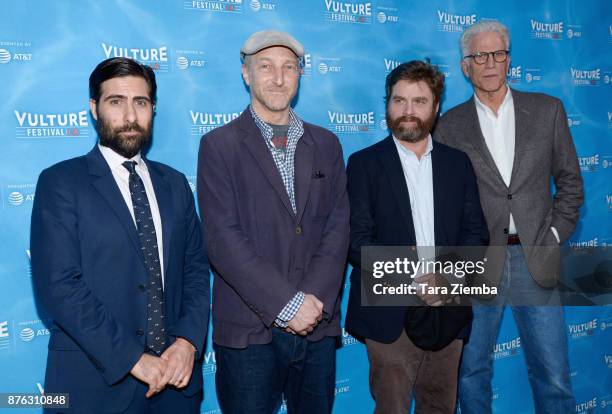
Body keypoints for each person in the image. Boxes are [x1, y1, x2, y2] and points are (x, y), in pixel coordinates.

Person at [30, 57, 210, 413]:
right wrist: (133, 359)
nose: (130, 116)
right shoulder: (61, 182)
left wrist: (188, 342)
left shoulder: (174, 184)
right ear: (94, 109)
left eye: (140, 102)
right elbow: (59, 286)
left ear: (153, 109)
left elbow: (196, 271)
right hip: (94, 388)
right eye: (116, 102)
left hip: (176, 385)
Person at [434, 20, 583, 414]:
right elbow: (444, 203)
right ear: (465, 66)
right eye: (479, 56)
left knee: (553, 374)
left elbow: (570, 182)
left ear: (509, 60)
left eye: (497, 54)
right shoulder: (448, 126)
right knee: (471, 371)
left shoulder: (548, 110)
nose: (489, 63)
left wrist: (551, 235)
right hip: (478, 263)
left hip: (536, 256)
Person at [197, 30, 349, 414]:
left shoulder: (327, 144)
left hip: (317, 326)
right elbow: (222, 240)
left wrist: (308, 305)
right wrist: (286, 304)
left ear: (300, 75)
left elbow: (337, 228)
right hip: (250, 333)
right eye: (265, 67)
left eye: (288, 68)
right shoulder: (218, 146)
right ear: (246, 74)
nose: (278, 78)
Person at [345, 60, 489, 414]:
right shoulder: (363, 164)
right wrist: (415, 277)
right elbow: (357, 241)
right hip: (388, 312)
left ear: (436, 107)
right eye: (399, 100)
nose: (407, 111)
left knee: (440, 406)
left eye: (419, 101)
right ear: (387, 104)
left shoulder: (458, 163)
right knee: (391, 407)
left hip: (449, 308)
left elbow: (476, 234)